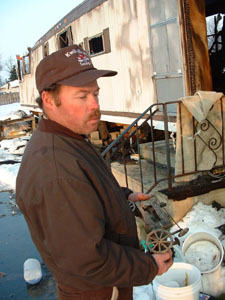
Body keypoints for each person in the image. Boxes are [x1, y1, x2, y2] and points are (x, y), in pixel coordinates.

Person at [16, 45, 173, 300]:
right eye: (82, 96)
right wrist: (150, 267)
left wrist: (123, 198)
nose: (95, 105)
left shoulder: (70, 138)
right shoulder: (55, 169)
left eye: (95, 94)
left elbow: (85, 194)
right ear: (48, 99)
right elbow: (88, 261)